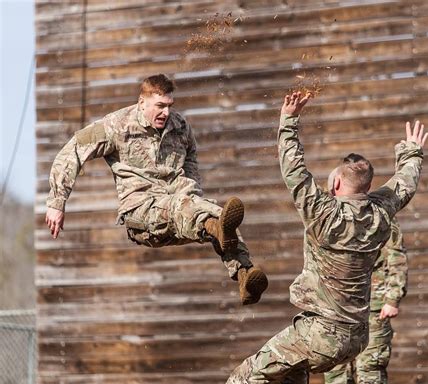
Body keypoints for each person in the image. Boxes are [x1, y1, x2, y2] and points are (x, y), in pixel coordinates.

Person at [169, 91, 428, 384]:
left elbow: (294, 172)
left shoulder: (325, 214)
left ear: (336, 185)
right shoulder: (382, 212)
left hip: (324, 332)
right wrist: (410, 152)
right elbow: (405, 183)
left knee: (260, 366)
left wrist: (288, 120)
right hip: (356, 335)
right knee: (292, 358)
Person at [45, 74, 268, 305]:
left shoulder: (180, 127)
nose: (166, 113)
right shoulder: (116, 125)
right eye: (160, 106)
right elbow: (72, 152)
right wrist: (56, 202)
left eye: (169, 106)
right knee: (193, 212)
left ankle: (244, 276)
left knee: (216, 213)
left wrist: (193, 192)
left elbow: (190, 162)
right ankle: (211, 226)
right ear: (142, 102)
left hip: (180, 211)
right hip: (141, 214)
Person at [321, 216, 407, 384]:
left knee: (371, 365)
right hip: (337, 306)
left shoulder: (379, 218)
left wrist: (393, 298)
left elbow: (396, 257)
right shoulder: (330, 217)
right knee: (335, 364)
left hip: (373, 306)